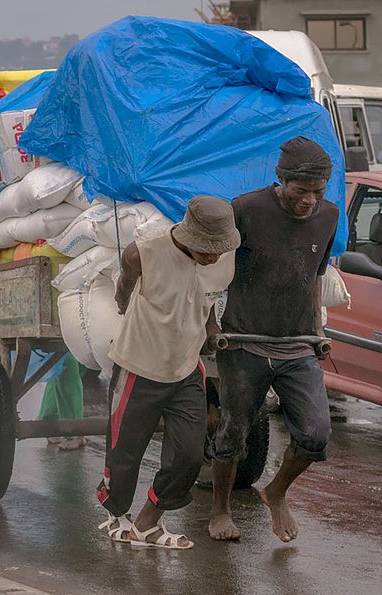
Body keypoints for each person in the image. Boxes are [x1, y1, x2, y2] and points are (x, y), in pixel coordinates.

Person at [209, 136, 339, 543]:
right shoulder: (245, 210)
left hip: (297, 343)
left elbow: (316, 274)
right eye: (301, 191)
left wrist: (317, 328)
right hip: (245, 341)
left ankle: (277, 491)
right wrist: (212, 327)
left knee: (316, 433)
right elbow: (212, 270)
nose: (309, 201)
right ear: (281, 180)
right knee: (233, 431)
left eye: (318, 192)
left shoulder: (329, 216)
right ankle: (220, 511)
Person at [98, 195, 240, 550]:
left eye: (218, 249)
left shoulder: (224, 261)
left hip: (186, 370)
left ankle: (147, 522)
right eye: (206, 248)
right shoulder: (142, 254)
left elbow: (207, 299)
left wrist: (211, 331)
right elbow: (123, 292)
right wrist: (124, 306)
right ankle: (116, 514)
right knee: (124, 453)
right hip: (139, 365)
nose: (213, 256)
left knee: (190, 455)